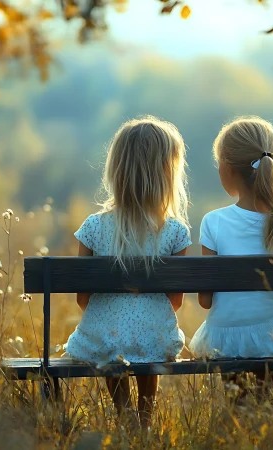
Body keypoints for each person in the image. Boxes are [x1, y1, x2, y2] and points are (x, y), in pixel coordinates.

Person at [63, 116, 191, 427]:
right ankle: (145, 418)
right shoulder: (175, 232)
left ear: (116, 169)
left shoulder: (93, 227)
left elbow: (83, 299)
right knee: (150, 336)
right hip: (155, 338)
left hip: (101, 337)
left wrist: (115, 314)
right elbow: (175, 302)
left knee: (110, 338)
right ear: (167, 174)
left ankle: (124, 411)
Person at [189, 116, 273, 396]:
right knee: (266, 387)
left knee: (240, 401)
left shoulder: (213, 223)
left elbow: (206, 301)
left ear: (227, 169)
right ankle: (267, 424)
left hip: (224, 337)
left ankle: (241, 424)